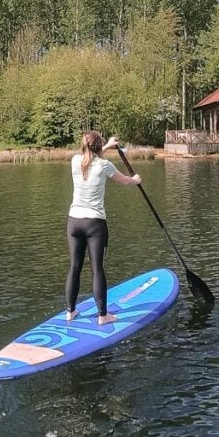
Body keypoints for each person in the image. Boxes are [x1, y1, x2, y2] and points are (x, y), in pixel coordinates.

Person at [65, 131, 142, 326]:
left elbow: (90, 156)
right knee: (97, 268)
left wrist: (106, 145)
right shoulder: (105, 165)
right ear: (98, 147)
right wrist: (136, 180)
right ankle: (103, 316)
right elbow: (125, 181)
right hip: (94, 224)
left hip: (74, 222)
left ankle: (70, 312)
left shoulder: (75, 161)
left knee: (75, 267)